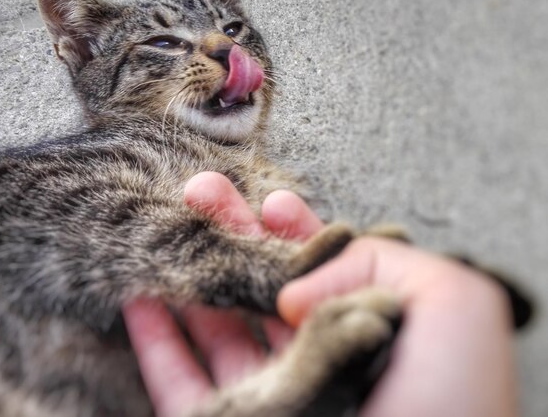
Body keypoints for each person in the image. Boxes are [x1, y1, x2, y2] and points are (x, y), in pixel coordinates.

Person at [123, 172, 518, 417]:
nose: (221, 50)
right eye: (164, 44)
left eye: (234, 30)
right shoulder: (121, 150)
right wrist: (281, 271)